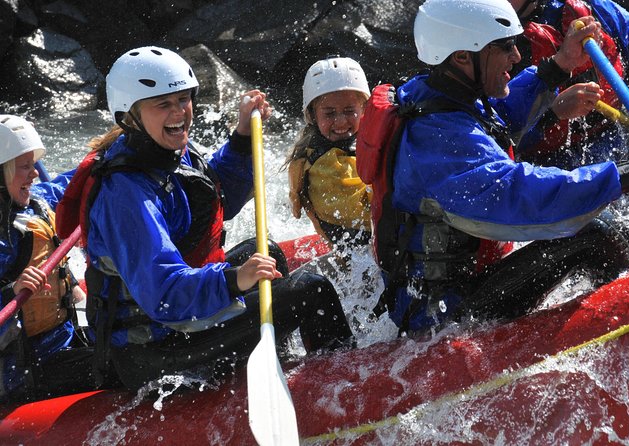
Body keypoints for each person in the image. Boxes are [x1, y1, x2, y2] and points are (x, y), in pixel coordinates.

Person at [359, 0, 629, 335]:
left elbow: (498, 114)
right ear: (463, 56)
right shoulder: (439, 138)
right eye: (505, 47)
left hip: (453, 286)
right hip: (443, 314)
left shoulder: (437, 91)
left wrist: (559, 65)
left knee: (598, 229)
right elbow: (521, 195)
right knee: (598, 234)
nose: (517, 56)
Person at [56, 46, 354, 390]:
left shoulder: (165, 149)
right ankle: (344, 391)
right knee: (310, 291)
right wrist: (233, 281)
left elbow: (216, 197)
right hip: (153, 348)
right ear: (131, 115)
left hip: (177, 323)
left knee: (267, 253)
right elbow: (164, 292)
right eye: (163, 104)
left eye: (183, 99)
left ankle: (277, 367)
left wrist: (242, 138)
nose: (179, 112)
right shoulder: (125, 194)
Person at [0, 115, 96, 402]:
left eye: (33, 165)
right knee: (124, 364)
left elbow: (71, 182)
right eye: (24, 167)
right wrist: (10, 292)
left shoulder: (35, 203)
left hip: (64, 339)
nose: (34, 174)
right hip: (26, 371)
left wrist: (112, 150)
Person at [507, 0, 629, 169]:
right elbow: (497, 137)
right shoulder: (486, 46)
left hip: (616, 137)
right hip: (542, 167)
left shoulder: (592, 9)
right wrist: (552, 114)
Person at [286, 56, 372, 251]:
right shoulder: (327, 167)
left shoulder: (359, 141)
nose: (341, 122)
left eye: (350, 111)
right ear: (313, 115)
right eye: (330, 113)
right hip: (357, 260)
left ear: (364, 108)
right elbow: (369, 216)